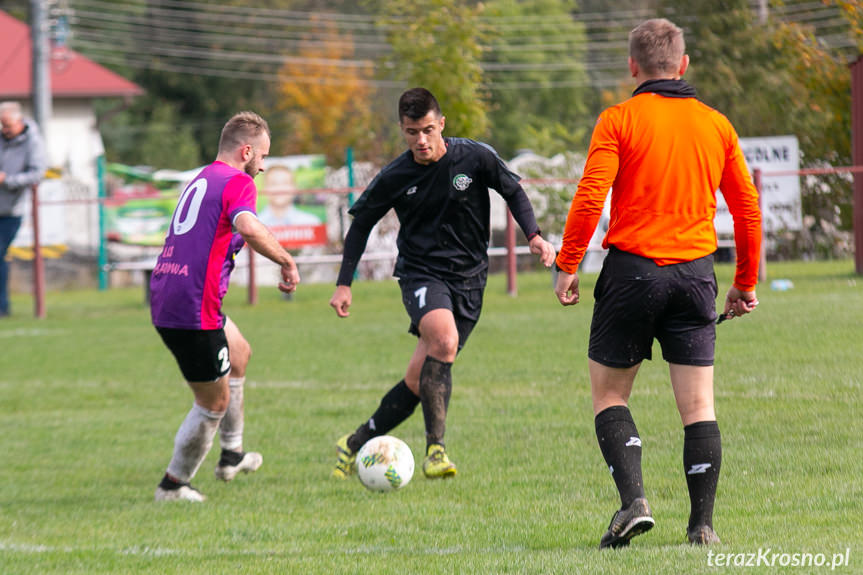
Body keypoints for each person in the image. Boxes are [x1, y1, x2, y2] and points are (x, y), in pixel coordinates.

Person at [553, 18, 762, 548]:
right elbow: (746, 208)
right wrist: (745, 282)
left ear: (632, 67)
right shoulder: (716, 124)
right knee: (698, 407)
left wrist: (568, 262)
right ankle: (702, 527)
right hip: (695, 275)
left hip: (633, 272)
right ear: (683, 65)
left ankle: (634, 502)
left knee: (609, 394)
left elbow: (590, 193)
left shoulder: (619, 118)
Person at [329, 87, 556, 480]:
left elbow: (513, 190)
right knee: (444, 340)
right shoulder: (396, 175)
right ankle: (436, 450)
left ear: (442, 125)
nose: (420, 140)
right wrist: (344, 283)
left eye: (428, 130)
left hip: (470, 280)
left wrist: (534, 235)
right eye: (412, 132)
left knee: (419, 379)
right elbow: (361, 223)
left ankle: (355, 443)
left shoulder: (475, 157)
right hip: (421, 273)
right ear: (402, 130)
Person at [150, 111, 301, 502]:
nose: (264, 166)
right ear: (246, 150)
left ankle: (232, 455)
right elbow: (248, 227)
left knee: (240, 352)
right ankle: (173, 485)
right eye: (263, 157)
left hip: (173, 292)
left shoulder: (203, 177)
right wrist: (286, 260)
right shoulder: (237, 181)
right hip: (192, 306)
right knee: (213, 403)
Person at [0, 102, 46, 318]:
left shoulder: (33, 142)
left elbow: (36, 174)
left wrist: (7, 180)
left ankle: (2, 307)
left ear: (19, 121)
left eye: (8, 125)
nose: (5, 130)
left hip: (11, 211)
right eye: (2, 126)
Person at [258, 164, 322, 227]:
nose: (280, 189)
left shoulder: (311, 222)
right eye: (273, 183)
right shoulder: (254, 223)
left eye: (285, 183)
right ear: (265, 188)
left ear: (294, 188)